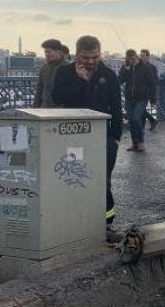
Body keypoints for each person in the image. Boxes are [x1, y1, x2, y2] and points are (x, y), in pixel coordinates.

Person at [51, 35, 123, 242]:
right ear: (76, 54)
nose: (91, 62)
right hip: (74, 137)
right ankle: (75, 223)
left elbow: (116, 108)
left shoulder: (108, 75)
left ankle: (105, 224)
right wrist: (79, 81)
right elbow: (58, 98)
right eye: (85, 57)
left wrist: (116, 138)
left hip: (103, 137)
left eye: (95, 57)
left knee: (102, 181)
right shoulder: (64, 72)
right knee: (75, 179)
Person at [118, 49, 156, 152]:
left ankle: (141, 142)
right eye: (129, 59)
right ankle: (134, 143)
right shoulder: (126, 67)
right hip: (129, 97)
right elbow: (120, 80)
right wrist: (126, 70)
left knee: (136, 118)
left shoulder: (145, 67)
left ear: (136, 56)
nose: (131, 61)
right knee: (131, 121)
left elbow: (152, 84)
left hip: (142, 98)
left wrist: (153, 100)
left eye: (133, 59)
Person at [34, 39, 69, 108]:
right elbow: (39, 90)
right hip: (44, 109)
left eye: (48, 52)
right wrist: (35, 109)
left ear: (58, 52)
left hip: (61, 111)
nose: (46, 55)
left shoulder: (68, 67)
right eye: (45, 52)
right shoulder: (44, 68)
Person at [139, 49, 161, 129]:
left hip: (148, 91)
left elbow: (154, 81)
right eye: (140, 56)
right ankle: (150, 121)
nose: (141, 58)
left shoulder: (152, 68)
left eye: (143, 56)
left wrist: (153, 98)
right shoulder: (138, 67)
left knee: (141, 108)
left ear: (148, 57)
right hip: (140, 91)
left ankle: (146, 123)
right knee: (141, 108)